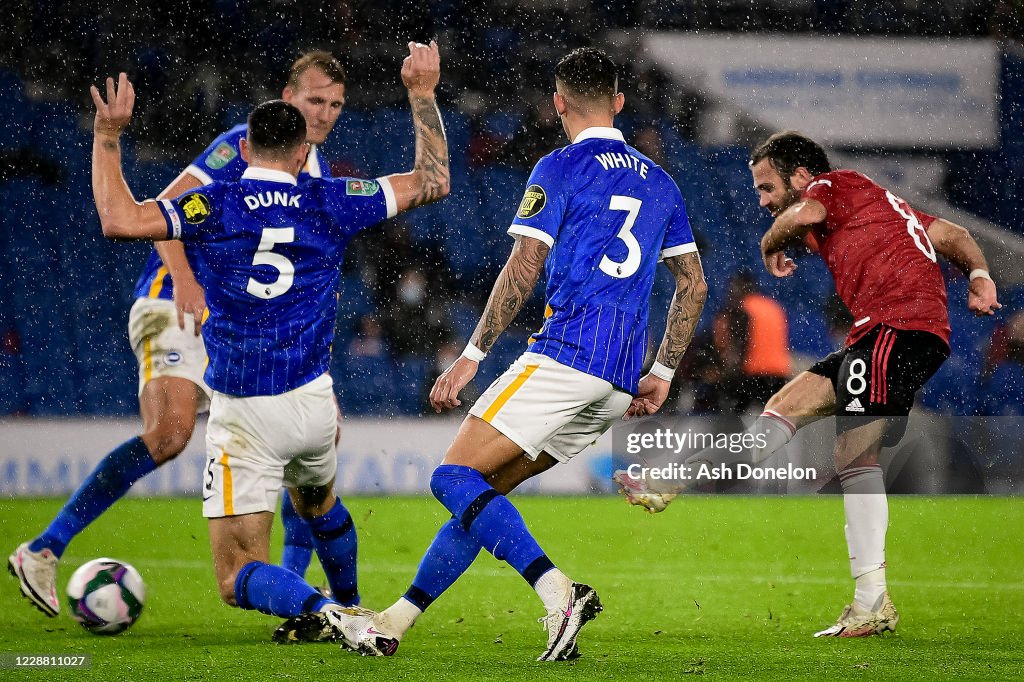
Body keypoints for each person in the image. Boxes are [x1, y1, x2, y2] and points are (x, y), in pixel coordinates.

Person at [73, 43, 446, 655]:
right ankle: (354, 602)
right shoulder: (332, 198)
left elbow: (119, 217)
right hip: (315, 401)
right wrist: (422, 94)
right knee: (320, 505)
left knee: (236, 574)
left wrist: (109, 136)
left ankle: (332, 613)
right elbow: (433, 181)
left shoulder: (212, 205)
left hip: (246, 411)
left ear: (243, 150)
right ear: (304, 154)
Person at [346, 47, 706, 661]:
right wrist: (663, 372)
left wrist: (472, 353)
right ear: (618, 102)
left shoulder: (560, 167)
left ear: (558, 103)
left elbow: (523, 266)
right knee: (480, 498)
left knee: (450, 477)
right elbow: (694, 284)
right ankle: (394, 623)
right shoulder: (662, 182)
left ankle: (557, 592)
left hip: (567, 356)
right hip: (619, 377)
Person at [9, 50, 357, 616]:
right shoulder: (242, 144)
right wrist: (187, 279)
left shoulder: (313, 170)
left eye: (336, 104)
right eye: (315, 100)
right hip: (177, 301)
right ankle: (44, 549)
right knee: (171, 434)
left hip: (242, 326)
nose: (324, 113)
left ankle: (294, 596)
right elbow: (166, 205)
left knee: (313, 446)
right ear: (287, 98)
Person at [615, 131, 1001, 638]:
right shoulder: (878, 201)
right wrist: (979, 274)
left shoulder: (832, 185)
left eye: (767, 187)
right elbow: (950, 233)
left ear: (801, 177)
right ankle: (671, 483)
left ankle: (871, 603)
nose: (763, 200)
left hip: (899, 329)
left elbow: (802, 217)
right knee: (784, 408)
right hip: (883, 332)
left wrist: (770, 243)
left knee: (854, 458)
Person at [712, 270, 791, 413]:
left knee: (733, 416)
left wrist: (728, 374)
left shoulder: (742, 309)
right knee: (775, 417)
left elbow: (739, 344)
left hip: (752, 373)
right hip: (778, 372)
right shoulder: (773, 306)